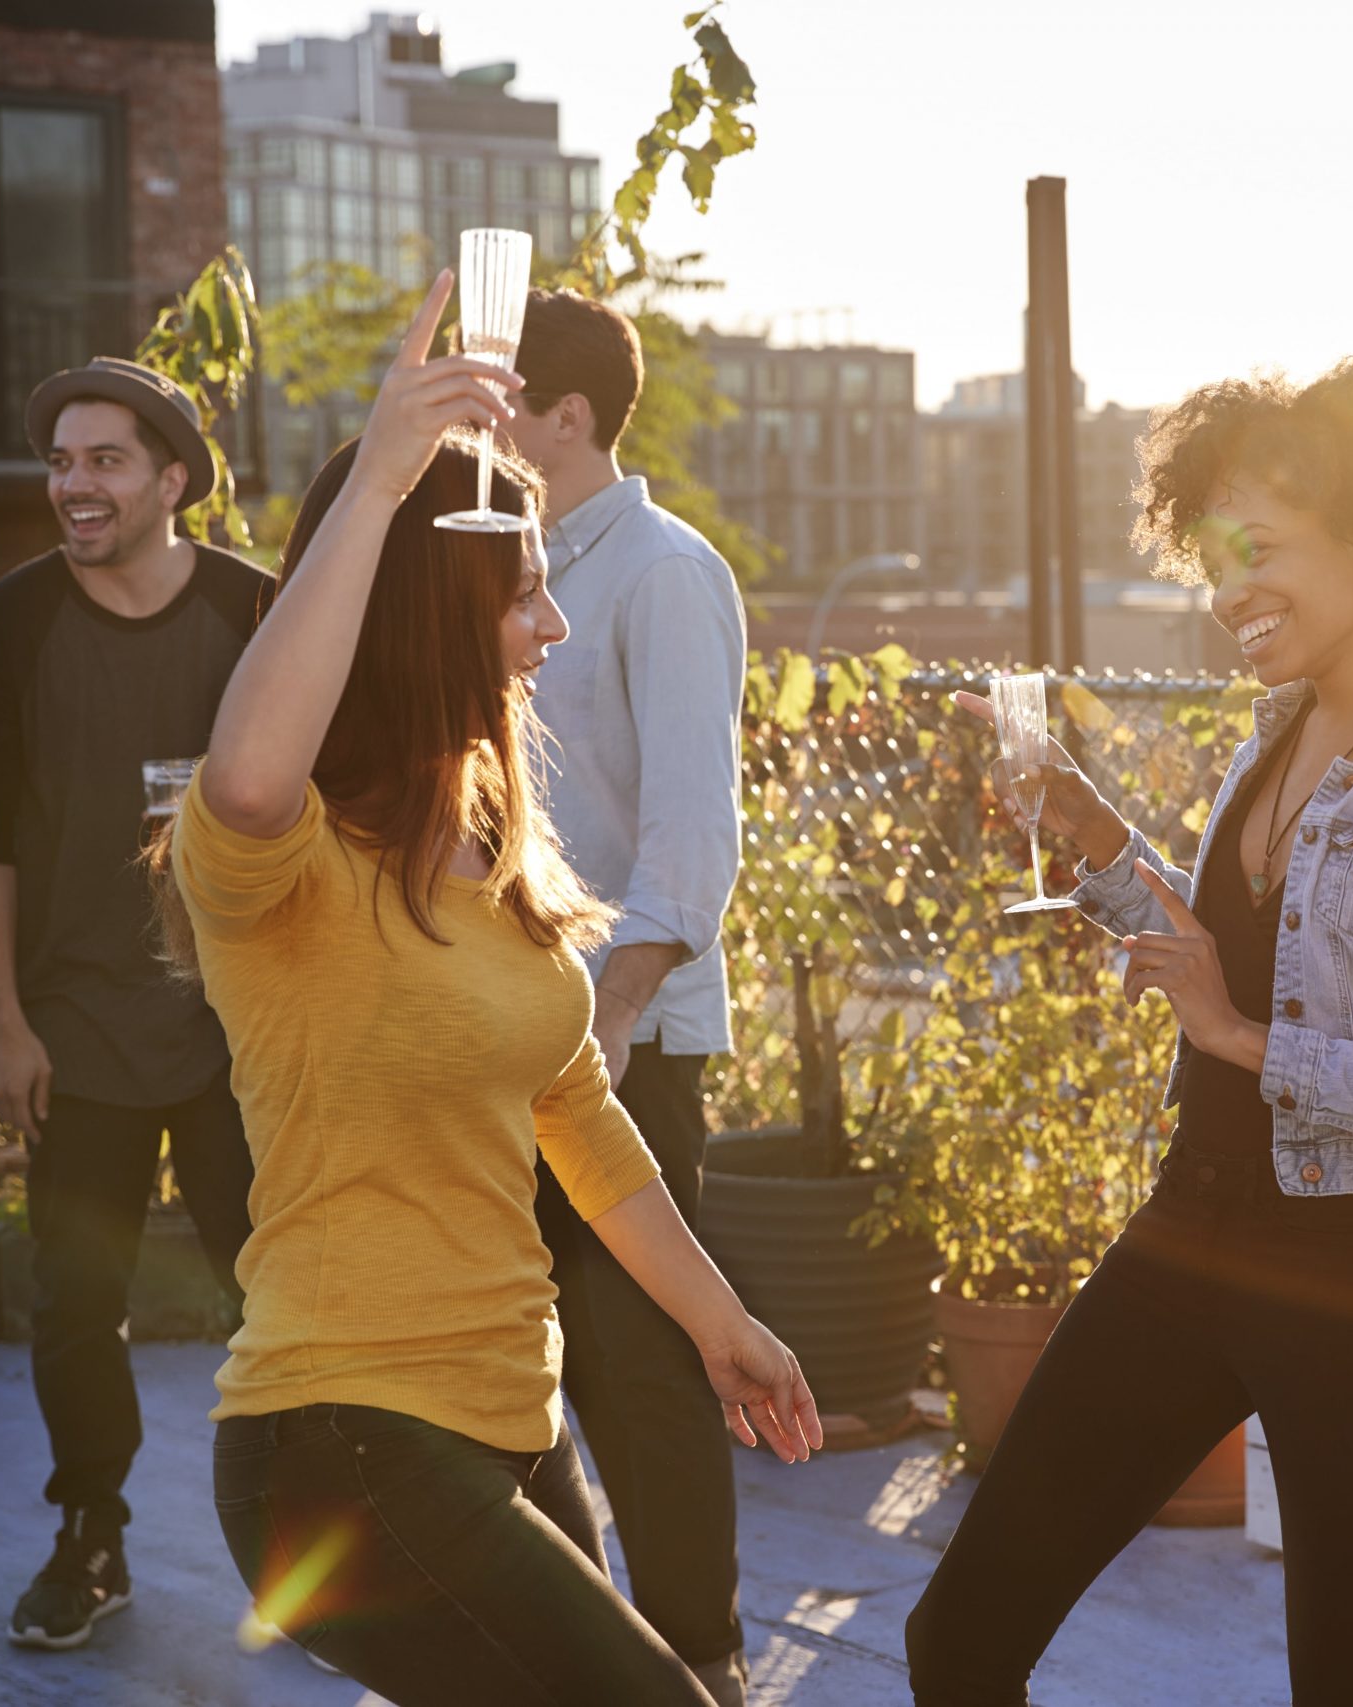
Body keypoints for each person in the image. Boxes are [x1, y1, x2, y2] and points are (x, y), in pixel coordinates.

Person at [162, 273, 819, 1706]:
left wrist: (728, 1328)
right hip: (338, 1444)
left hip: (508, 1428)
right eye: (523, 591)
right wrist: (385, 476)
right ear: (430, 611)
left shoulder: (490, 859)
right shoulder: (284, 864)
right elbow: (258, 767)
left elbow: (582, 1122)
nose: (553, 627)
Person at [904, 354, 1353, 1707]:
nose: (1227, 598)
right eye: (1212, 563)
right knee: (958, 1639)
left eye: (1259, 552)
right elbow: (1238, 966)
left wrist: (1247, 1046)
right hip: (1192, 1230)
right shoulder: (1283, 732)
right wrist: (1090, 829)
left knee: (1348, 1688)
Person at [0, 357, 271, 1651]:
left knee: (278, 1291)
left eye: (106, 461)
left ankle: (312, 1537)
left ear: (172, 478)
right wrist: (6, 1021)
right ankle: (93, 1537)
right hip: (74, 1028)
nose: (75, 484)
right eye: (62, 462)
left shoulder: (253, 609)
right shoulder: (7, 624)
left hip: (242, 1026)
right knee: (78, 1303)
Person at [501, 288, 752, 1705]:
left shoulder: (658, 571)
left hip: (620, 1050)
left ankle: (703, 1667)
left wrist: (603, 1025)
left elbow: (689, 841)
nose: (477, 422)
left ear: (568, 418)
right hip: (510, 1041)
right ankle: (583, 1650)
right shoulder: (504, 565)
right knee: (519, 1357)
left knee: (647, 1380)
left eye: (499, 402)